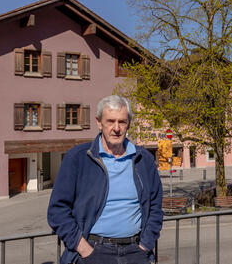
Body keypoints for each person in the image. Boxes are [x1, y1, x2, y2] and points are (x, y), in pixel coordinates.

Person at [47, 95, 163, 264]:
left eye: (122, 122)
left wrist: (145, 245)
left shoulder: (143, 159)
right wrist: (84, 249)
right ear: (99, 123)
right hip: (94, 252)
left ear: (128, 123)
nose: (116, 128)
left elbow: (155, 206)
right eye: (110, 121)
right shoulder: (78, 158)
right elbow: (57, 211)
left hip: (135, 252)